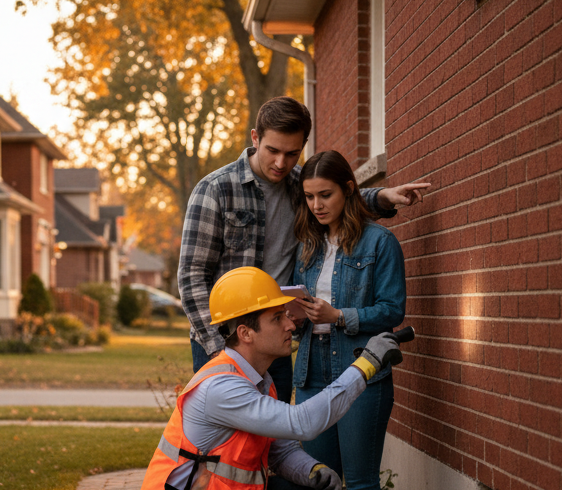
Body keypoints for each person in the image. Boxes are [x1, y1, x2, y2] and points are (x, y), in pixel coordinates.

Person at [120, 266, 404, 490]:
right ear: (246, 333)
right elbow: (303, 422)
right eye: (277, 317)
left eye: (286, 315)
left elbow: (283, 452)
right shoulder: (222, 388)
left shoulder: (258, 380)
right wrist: (366, 365)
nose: (290, 324)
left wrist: (315, 471)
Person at [178, 96, 429, 400]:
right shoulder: (215, 189)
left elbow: (336, 196)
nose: (281, 163)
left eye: (292, 153)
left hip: (275, 337)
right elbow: (192, 275)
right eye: (272, 151)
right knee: (222, 442)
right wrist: (222, 348)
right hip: (224, 340)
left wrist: (383, 197)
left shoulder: (300, 186)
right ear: (255, 138)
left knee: (275, 438)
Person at [290, 150, 407, 490]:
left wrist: (341, 316)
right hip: (312, 373)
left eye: (326, 195)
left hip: (361, 371)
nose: (317, 205)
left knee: (359, 484)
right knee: (322, 484)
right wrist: (293, 314)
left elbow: (392, 310)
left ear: (348, 192)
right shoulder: (308, 247)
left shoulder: (380, 243)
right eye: (310, 197)